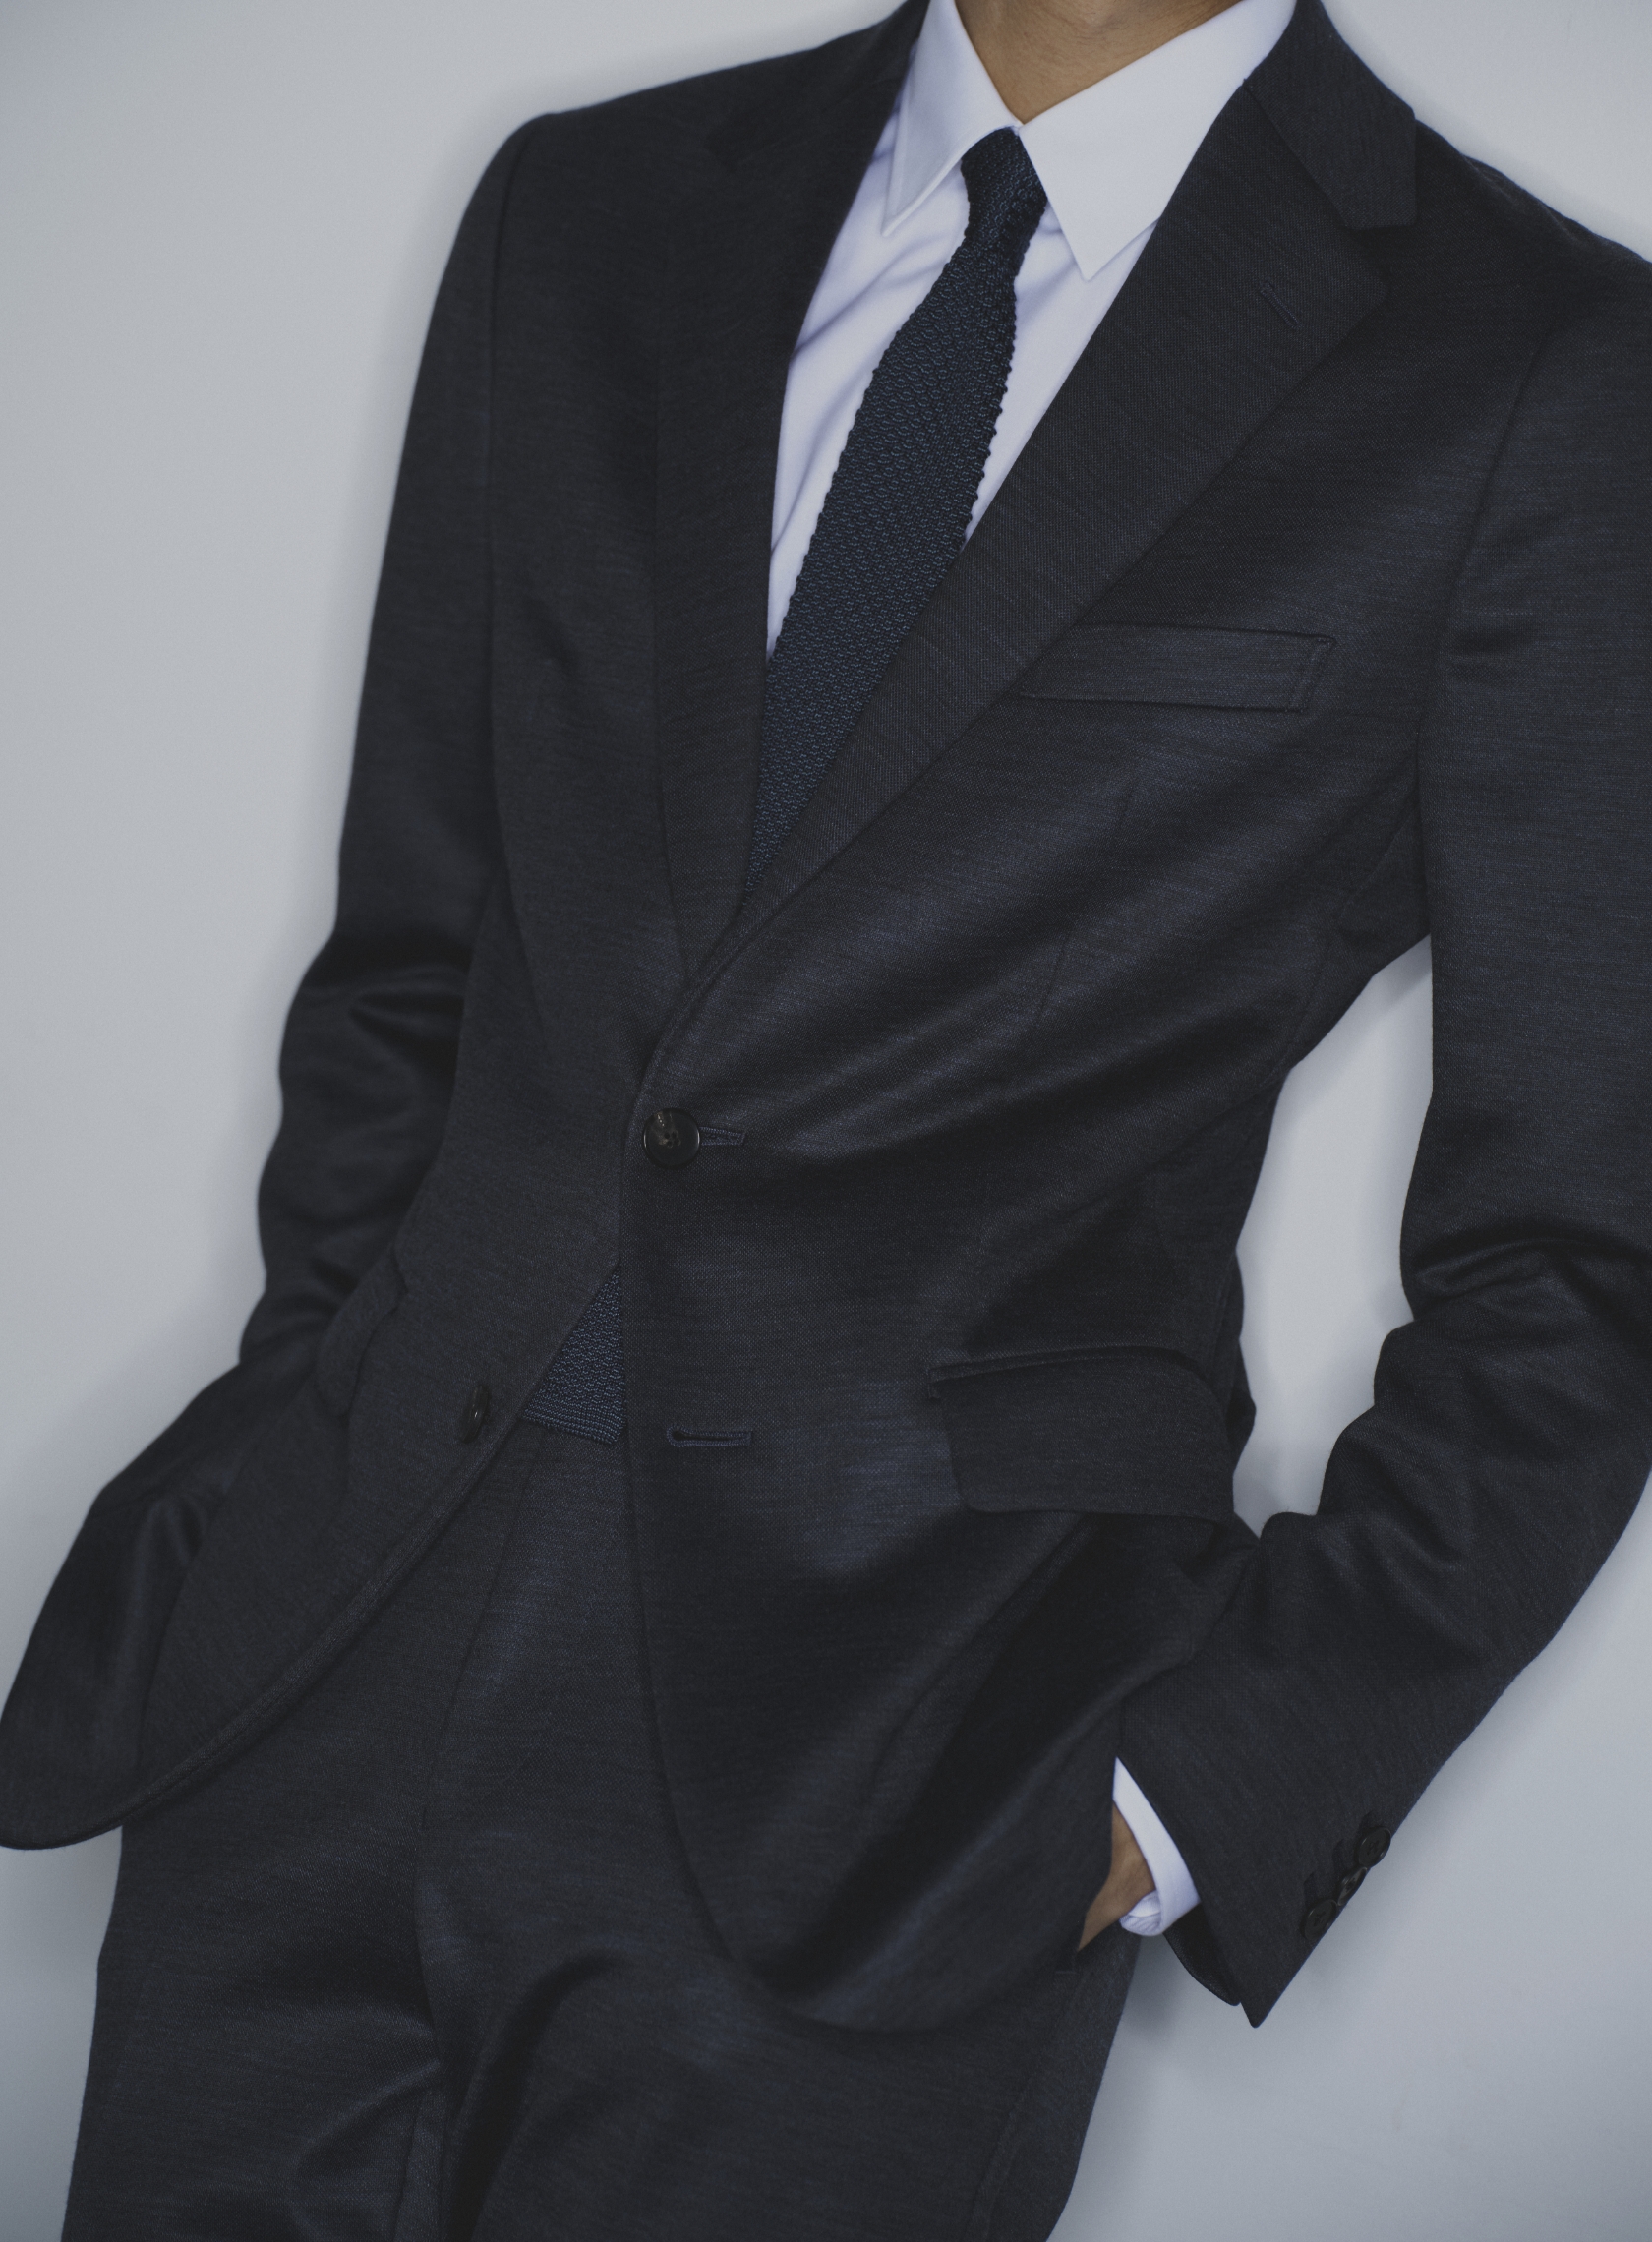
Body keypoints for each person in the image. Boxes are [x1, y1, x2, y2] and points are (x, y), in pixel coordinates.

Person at [4, 0, 1650, 2233]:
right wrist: (312, 1412)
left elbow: (1582, 1255)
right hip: (323, 1668)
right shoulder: (586, 208)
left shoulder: (1533, 364)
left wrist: (1185, 1801)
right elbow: (419, 957)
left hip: (911, 1786)